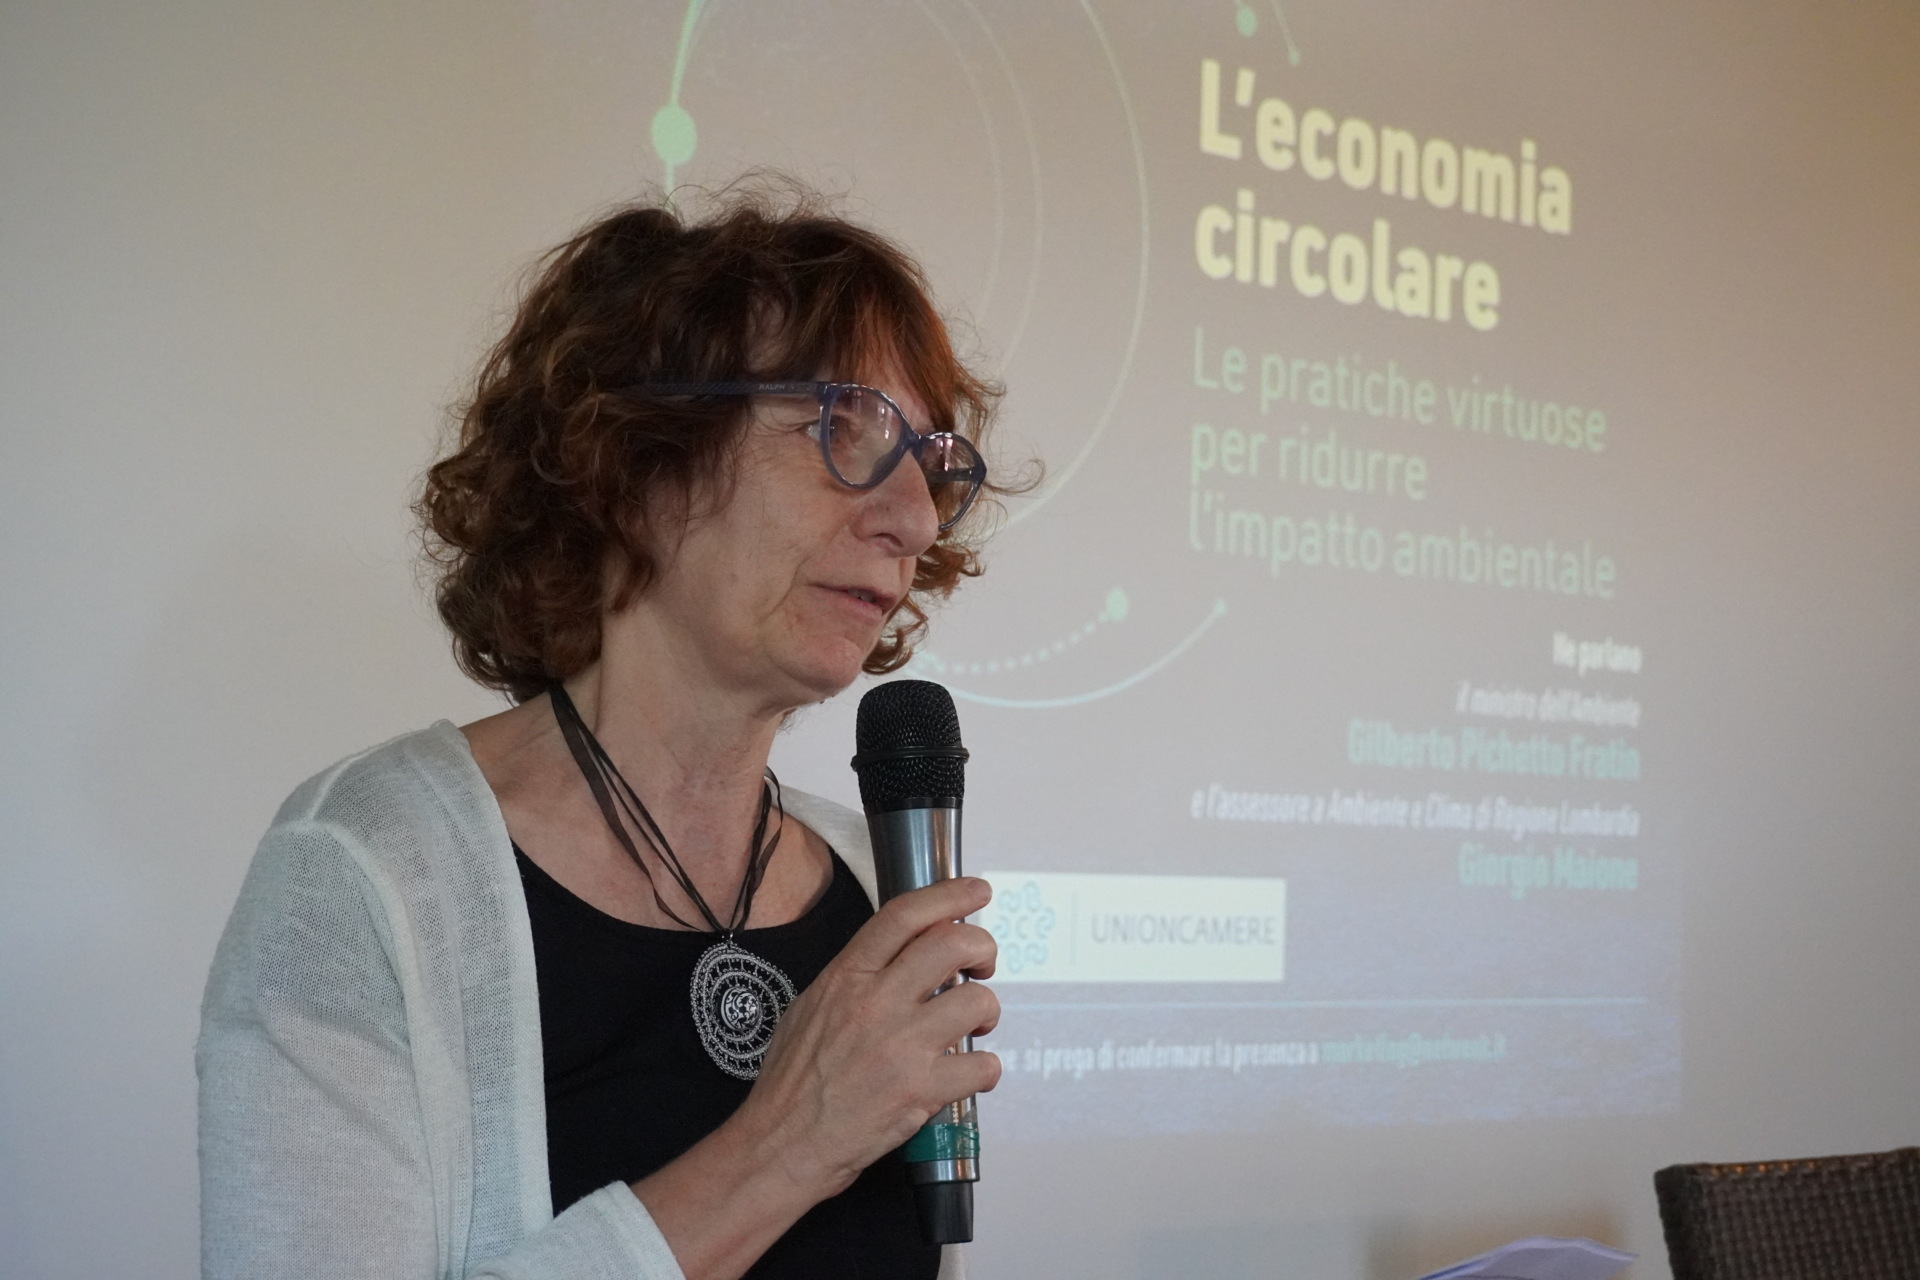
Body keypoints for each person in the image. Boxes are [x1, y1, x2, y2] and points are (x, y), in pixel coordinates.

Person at [198, 187, 1008, 1280]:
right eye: (844, 428)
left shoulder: (874, 877)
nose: (911, 518)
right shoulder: (368, 873)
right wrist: (786, 1145)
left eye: (932, 463)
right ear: (634, 461)